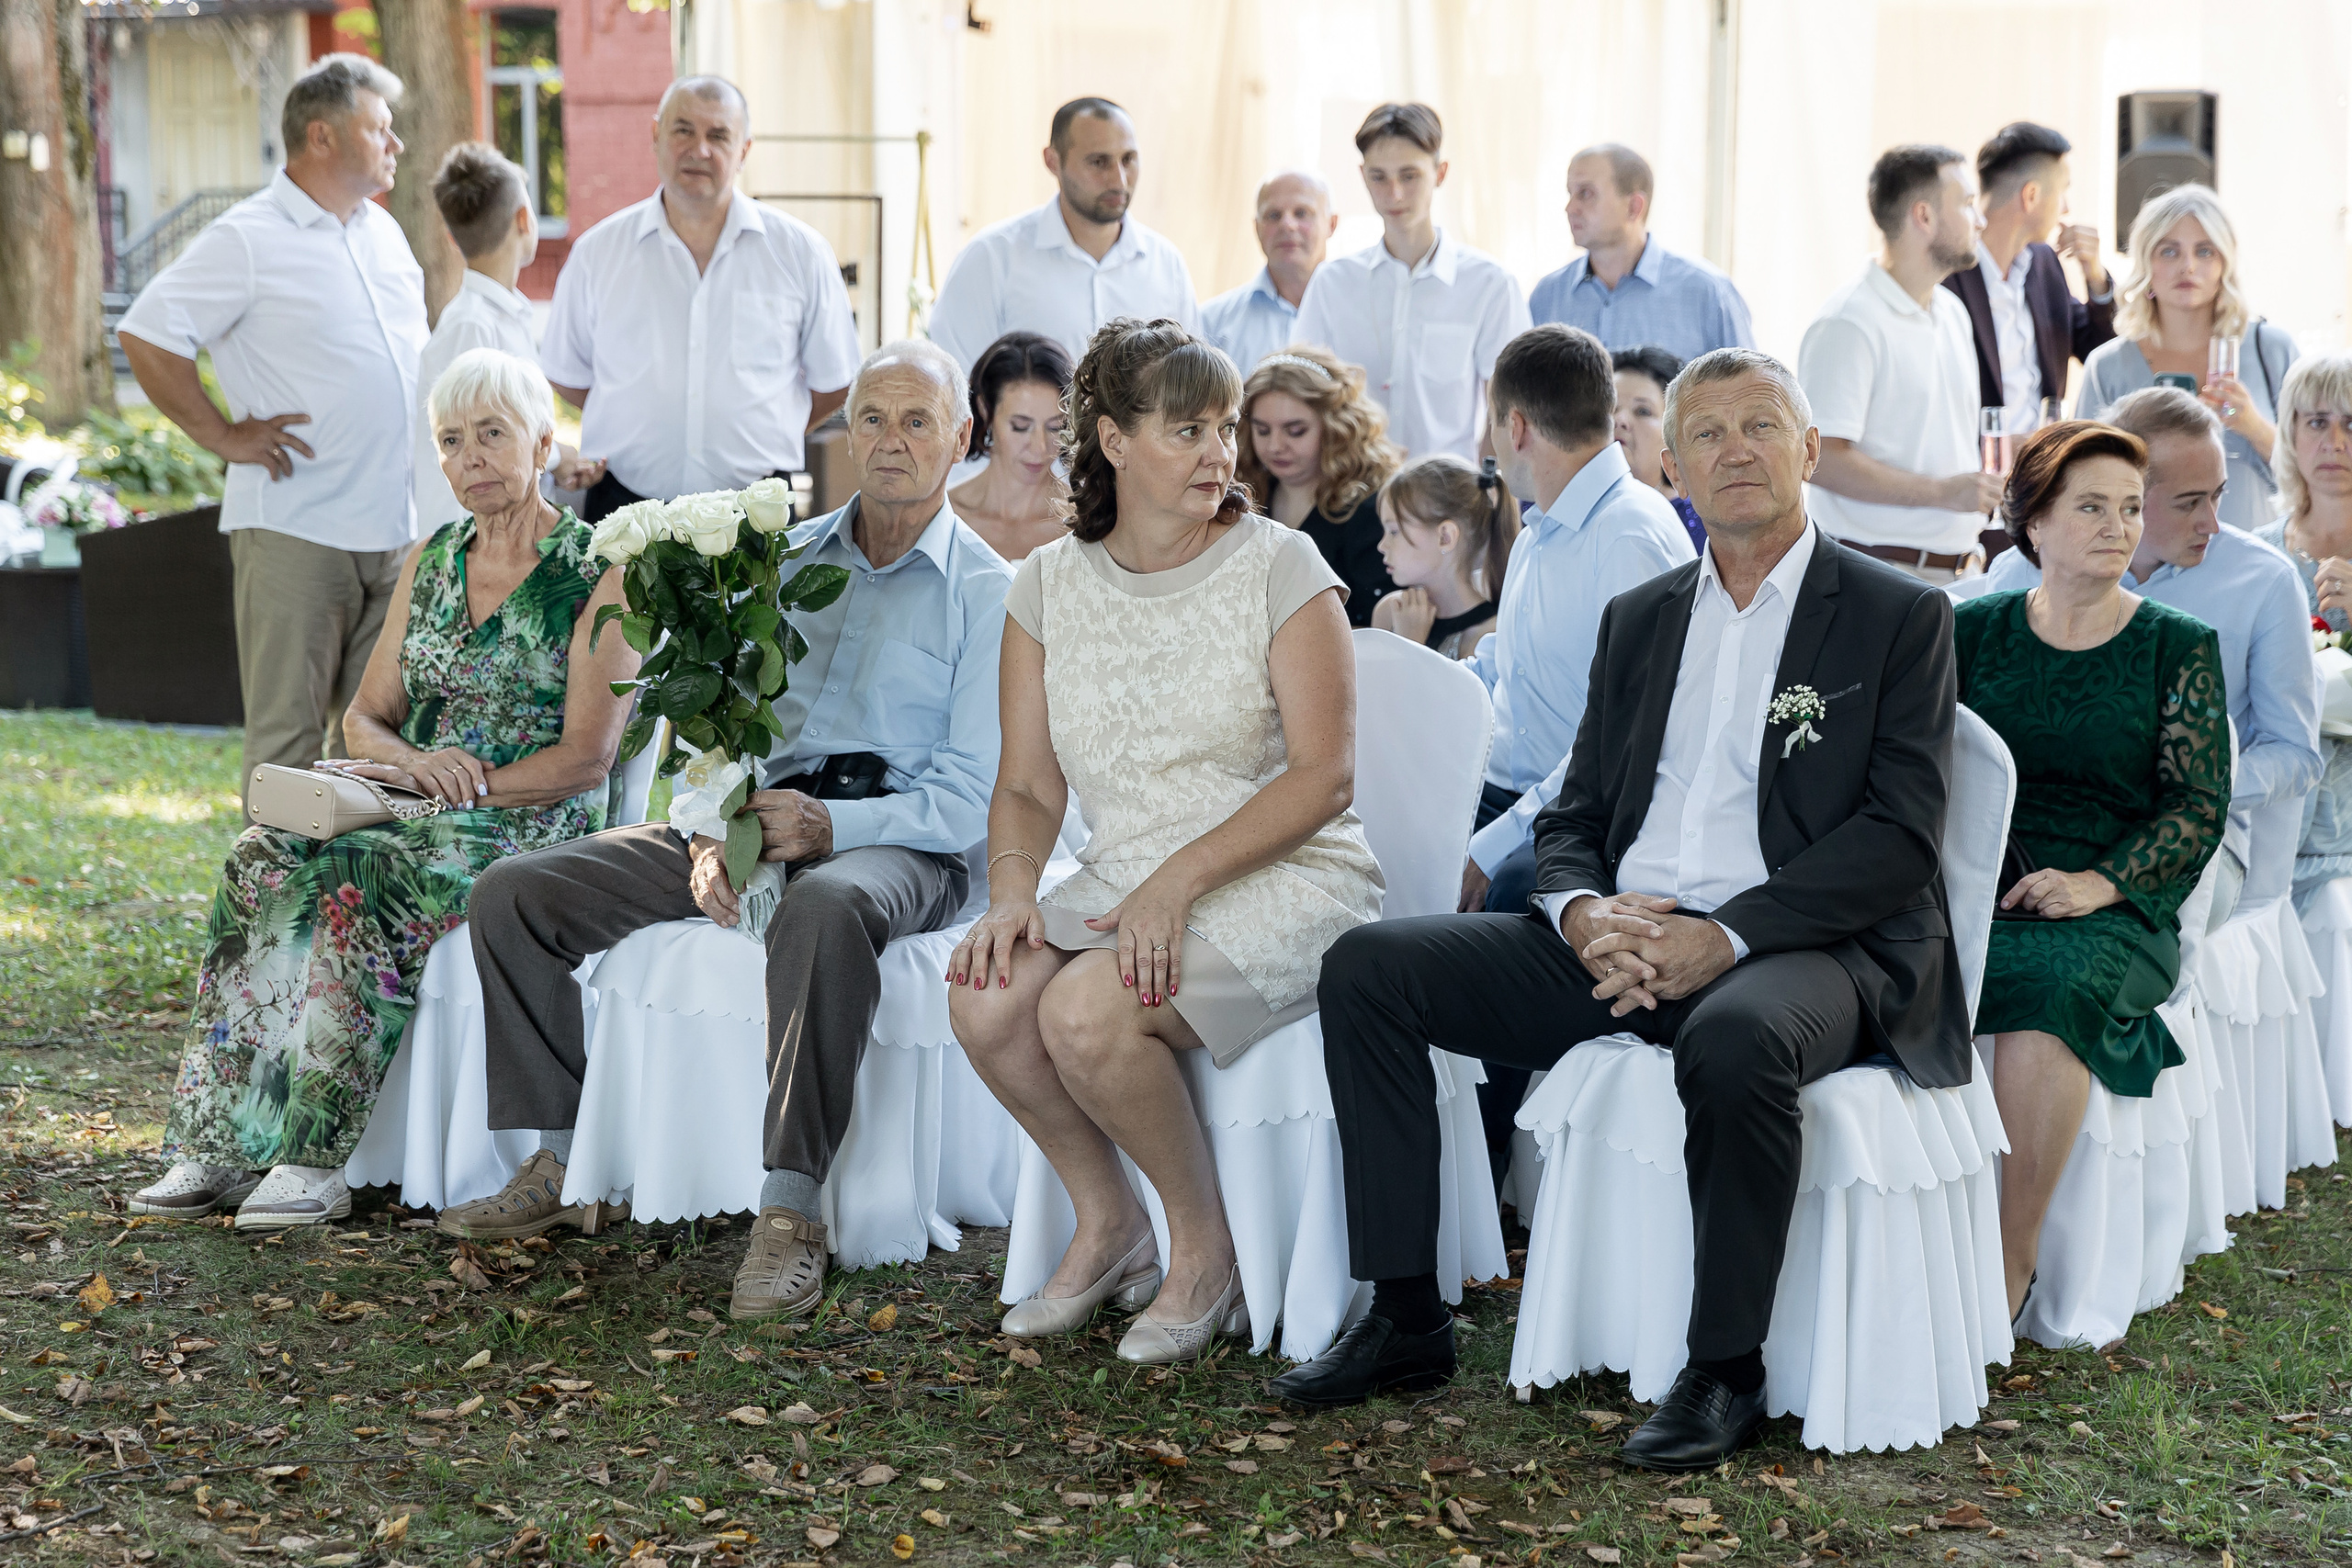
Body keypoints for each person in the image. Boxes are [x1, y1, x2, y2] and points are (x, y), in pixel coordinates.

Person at [1279, 349, 1967, 1475]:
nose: (1735, 448)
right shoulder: (1644, 618)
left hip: (1801, 946)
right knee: (1370, 969)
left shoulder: (1895, 615)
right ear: (1675, 467)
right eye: (1707, 432)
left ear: (1805, 450)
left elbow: (1897, 838)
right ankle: (1406, 1314)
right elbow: (1577, 808)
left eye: (1761, 425)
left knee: (1739, 1039)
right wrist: (1582, 912)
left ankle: (1724, 1367)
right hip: (1619, 937)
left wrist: (1722, 937)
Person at [443, 341, 1011, 1325]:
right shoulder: (781, 562)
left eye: (918, 421)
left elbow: (968, 793)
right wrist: (712, 835)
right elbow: (711, 732)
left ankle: (790, 1214)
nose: (890, 440)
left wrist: (833, 825)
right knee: (516, 895)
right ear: (844, 432)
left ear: (962, 438)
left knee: (827, 909)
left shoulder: (988, 590)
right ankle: (561, 1158)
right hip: (753, 815)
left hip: (901, 836)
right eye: (871, 417)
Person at [945, 317, 1383, 1364]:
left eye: (1224, 428)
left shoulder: (1282, 565)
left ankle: (1204, 1253)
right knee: (988, 994)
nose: (1220, 454)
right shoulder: (1046, 583)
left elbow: (1325, 778)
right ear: (1112, 441)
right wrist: (1013, 891)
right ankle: (1109, 1222)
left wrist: (1177, 882)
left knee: (1091, 1012)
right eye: (1188, 430)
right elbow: (1025, 784)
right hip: (1127, 870)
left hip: (1286, 873)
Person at [126, 349, 638, 1229]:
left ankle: (316, 1157)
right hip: (418, 803)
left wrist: (464, 793)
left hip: (529, 819)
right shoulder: (432, 558)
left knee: (364, 881)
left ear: (544, 442)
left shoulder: (601, 570)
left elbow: (587, 760)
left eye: (492, 433)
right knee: (260, 858)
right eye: (451, 440)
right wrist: (411, 766)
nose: (471, 455)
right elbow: (365, 718)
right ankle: (219, 1140)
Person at [1957, 422, 2230, 1321]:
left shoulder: (2175, 646)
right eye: (2089, 508)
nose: (2117, 526)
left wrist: (2096, 887)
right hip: (1976, 883)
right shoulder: (1969, 631)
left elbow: (2195, 807)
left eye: (2127, 508)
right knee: (1881, 964)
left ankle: (2008, 1259)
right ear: (2032, 522)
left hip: (2114, 903)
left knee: (2048, 983)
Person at [117, 54, 427, 819]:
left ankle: (352, 925)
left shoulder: (385, 233)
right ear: (321, 136)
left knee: (377, 749)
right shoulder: (247, 236)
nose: (396, 144)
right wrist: (222, 433)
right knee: (288, 753)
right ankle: (269, 933)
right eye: (378, 128)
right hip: (296, 529)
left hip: (395, 534)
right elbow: (149, 334)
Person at [1982, 389, 2319, 923]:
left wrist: (2182, 786)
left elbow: (2295, 754)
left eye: (2219, 495)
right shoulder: (2030, 565)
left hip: (2192, 847)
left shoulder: (2264, 580)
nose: (2211, 521)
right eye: (2189, 502)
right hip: (2027, 837)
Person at [538, 75, 862, 523]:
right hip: (625, 506)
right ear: (656, 135)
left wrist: (771, 428)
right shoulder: (598, 253)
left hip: (754, 512)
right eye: (684, 130)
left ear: (744, 150)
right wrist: (638, 421)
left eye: (718, 135)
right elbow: (566, 372)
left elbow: (835, 381)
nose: (700, 150)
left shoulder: (799, 253)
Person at [1799, 144, 1999, 583]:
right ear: (1924, 216)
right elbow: (1820, 461)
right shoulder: (1848, 322)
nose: (1981, 219)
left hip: (1962, 573)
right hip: (1876, 577)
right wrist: (1945, 494)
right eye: (1967, 204)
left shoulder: (1951, 311)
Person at [1293, 104, 1531, 462]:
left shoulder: (1490, 286)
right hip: (1350, 492)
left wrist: (1481, 491)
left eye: (1409, 176)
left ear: (1440, 172)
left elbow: (1509, 408)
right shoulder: (1331, 284)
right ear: (1362, 176)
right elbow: (1300, 394)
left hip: (1452, 498)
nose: (1395, 194)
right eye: (1379, 177)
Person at [2079, 185, 2297, 531]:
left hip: (2255, 567)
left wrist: (2253, 427)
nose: (2188, 266)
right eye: (2169, 251)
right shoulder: (2107, 366)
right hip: (2143, 572)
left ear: (2225, 261)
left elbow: (2317, 477)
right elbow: (2085, 486)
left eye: (2205, 251)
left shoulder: (2272, 350)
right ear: (2146, 262)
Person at [413, 142, 604, 534]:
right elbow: (476, 447)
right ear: (524, 219)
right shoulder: (472, 328)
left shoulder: (506, 317)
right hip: (474, 542)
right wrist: (554, 458)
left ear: (451, 237)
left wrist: (555, 461)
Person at [928, 98, 1198, 372]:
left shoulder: (1167, 266)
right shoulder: (992, 259)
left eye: (1128, 159)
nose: (1119, 180)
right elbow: (956, 385)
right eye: (1098, 162)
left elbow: (1191, 385)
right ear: (1053, 161)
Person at [1940, 122, 2114, 440]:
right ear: (2031, 196)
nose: (2066, 208)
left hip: (2043, 475)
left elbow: (2098, 351)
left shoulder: (2045, 263)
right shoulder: (1946, 275)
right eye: (2063, 193)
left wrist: (2096, 278)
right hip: (1974, 477)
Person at [2254, 354, 2352, 905]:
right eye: (2317, 421)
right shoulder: (2254, 557)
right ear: (2290, 431)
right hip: (2266, 836)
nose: (2334, 441)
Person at [1528, 144, 1753, 360]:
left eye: (1585, 194)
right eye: (1570, 193)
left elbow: (1750, 392)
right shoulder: (1547, 296)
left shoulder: (1708, 293)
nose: (1570, 208)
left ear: (1634, 207)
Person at [1235, 345, 1404, 625]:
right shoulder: (1244, 494)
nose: (1275, 446)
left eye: (1295, 431)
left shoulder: (1371, 510)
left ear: (1336, 427)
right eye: (1262, 430)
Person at [949, 332, 1074, 561]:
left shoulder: (1086, 521)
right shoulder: (946, 517)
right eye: (1020, 426)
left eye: (1055, 427)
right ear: (985, 409)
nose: (1040, 448)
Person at [1369, 456, 1510, 658]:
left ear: (1445, 537)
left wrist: (1411, 645)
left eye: (1393, 531)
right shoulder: (1390, 611)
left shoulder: (1488, 637)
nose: (1382, 546)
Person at [1199, 171, 1339, 376]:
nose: (1287, 225)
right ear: (1257, 228)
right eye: (1274, 215)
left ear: (1332, 224)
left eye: (1301, 213)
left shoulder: (1362, 313)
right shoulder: (1211, 326)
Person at [1612, 344, 1706, 554]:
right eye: (1611, 408)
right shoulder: (1563, 509)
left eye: (1643, 411)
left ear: (1674, 433)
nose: (1620, 420)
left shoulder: (1705, 523)